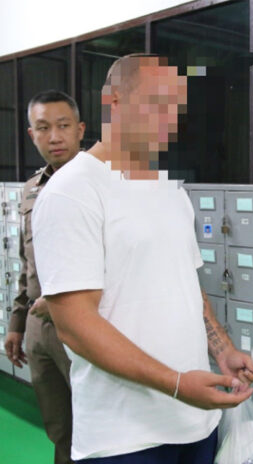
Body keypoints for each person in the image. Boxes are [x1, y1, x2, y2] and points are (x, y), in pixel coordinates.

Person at [32, 54, 253, 463]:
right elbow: (75, 326)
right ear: (115, 102)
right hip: (124, 437)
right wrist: (175, 383)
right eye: (156, 103)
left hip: (196, 422)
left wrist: (222, 349)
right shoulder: (73, 191)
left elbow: (185, 283)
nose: (169, 118)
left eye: (176, 106)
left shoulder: (169, 189)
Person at [4, 89, 85, 464]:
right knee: (59, 428)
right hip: (40, 331)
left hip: (87, 329)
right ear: (31, 134)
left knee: (96, 426)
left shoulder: (102, 184)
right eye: (43, 128)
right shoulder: (31, 189)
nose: (54, 136)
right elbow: (27, 264)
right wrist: (17, 324)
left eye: (63, 126)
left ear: (80, 129)